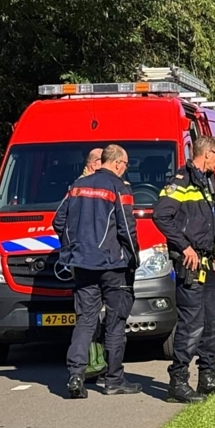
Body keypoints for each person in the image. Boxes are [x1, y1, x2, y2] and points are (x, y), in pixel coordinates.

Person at [53, 144, 140, 399]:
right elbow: (126, 228)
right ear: (116, 163)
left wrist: (71, 248)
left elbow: (58, 221)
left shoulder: (77, 186)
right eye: (125, 165)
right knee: (115, 323)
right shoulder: (118, 187)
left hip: (82, 264)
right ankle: (114, 380)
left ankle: (76, 375)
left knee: (85, 320)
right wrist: (133, 258)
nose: (126, 170)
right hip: (113, 265)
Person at [154, 136, 215, 403]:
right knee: (191, 325)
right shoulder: (182, 180)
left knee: (211, 322)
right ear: (207, 154)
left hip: (208, 262)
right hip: (190, 264)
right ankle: (178, 383)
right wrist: (184, 246)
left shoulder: (205, 180)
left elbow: (211, 220)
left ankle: (208, 377)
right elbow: (161, 215)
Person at [77, 147, 108, 382]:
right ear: (93, 163)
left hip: (85, 258)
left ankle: (95, 362)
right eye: (101, 160)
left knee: (92, 316)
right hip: (94, 260)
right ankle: (90, 365)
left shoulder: (82, 186)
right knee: (89, 317)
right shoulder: (85, 187)